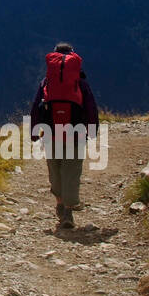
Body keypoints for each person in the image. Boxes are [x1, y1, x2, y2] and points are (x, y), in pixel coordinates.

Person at [29, 42, 99, 229]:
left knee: (55, 169)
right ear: (73, 57)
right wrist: (92, 131)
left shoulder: (46, 82)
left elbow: (36, 108)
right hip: (75, 133)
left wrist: (34, 133)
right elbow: (91, 107)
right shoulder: (80, 83)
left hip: (51, 133)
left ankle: (60, 203)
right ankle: (68, 210)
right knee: (71, 170)